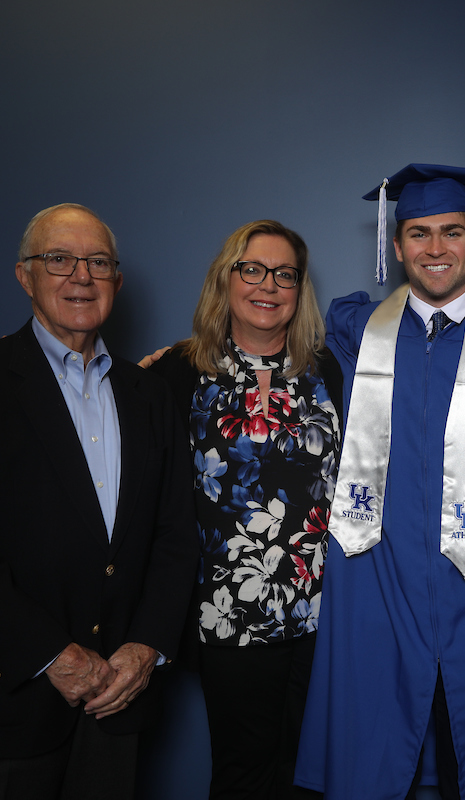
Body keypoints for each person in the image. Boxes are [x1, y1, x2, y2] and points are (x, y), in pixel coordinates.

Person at [295, 164, 465, 800]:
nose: (436, 248)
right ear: (397, 247)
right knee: (383, 750)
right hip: (381, 581)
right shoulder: (356, 330)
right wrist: (178, 354)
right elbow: (268, 338)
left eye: (452, 232)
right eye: (419, 233)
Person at [0, 203, 196, 800]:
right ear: (25, 275)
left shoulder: (150, 395)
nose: (80, 276)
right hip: (3, 705)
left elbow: (175, 535)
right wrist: (53, 657)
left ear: (116, 280)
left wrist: (146, 650)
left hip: (117, 705)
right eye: (59, 259)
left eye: (97, 262)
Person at [145, 220, 342, 799]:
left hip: (321, 611)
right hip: (229, 611)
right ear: (225, 278)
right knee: (245, 773)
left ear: (299, 288)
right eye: (251, 269)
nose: (268, 285)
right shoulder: (177, 373)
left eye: (285, 274)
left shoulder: (326, 371)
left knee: (311, 772)